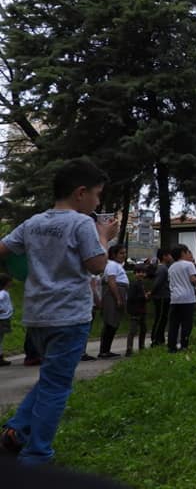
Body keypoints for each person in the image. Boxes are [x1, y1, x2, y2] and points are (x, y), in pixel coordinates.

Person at [0, 158, 116, 465]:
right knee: (56, 386)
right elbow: (97, 265)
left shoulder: (33, 223)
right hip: (69, 317)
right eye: (97, 194)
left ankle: (16, 431)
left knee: (50, 379)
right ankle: (36, 456)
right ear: (81, 193)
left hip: (37, 317)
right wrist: (105, 237)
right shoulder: (81, 223)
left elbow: (3, 249)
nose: (98, 201)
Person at [167, 244, 196, 353]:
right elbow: (193, 279)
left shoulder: (171, 267)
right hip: (187, 298)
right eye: (187, 252)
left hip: (175, 298)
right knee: (186, 323)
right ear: (183, 253)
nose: (189, 254)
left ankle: (171, 347)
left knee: (174, 324)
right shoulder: (189, 265)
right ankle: (184, 345)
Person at [98, 244, 128, 359]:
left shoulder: (117, 265)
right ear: (113, 254)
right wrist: (118, 298)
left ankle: (107, 350)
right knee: (110, 322)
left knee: (114, 322)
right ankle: (104, 351)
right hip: (113, 294)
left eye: (125, 253)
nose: (124, 255)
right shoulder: (112, 265)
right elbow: (111, 281)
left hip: (120, 291)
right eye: (121, 253)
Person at [150, 247, 172, 347]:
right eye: (169, 255)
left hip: (165, 296)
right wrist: (151, 292)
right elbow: (157, 283)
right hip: (162, 296)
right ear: (164, 256)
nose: (171, 257)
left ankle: (160, 338)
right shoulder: (162, 268)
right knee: (160, 317)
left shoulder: (165, 268)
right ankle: (155, 338)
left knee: (163, 318)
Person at [125, 265, 149, 356]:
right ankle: (129, 349)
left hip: (142, 310)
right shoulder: (134, 284)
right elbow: (131, 297)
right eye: (139, 272)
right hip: (135, 310)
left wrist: (146, 297)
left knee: (143, 329)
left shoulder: (142, 284)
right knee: (133, 330)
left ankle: (141, 347)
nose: (141, 274)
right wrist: (144, 297)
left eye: (143, 272)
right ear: (135, 274)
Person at [0, 273, 13, 367]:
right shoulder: (3, 293)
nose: (11, 283)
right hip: (2, 318)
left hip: (4, 317)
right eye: (9, 282)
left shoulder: (4, 292)